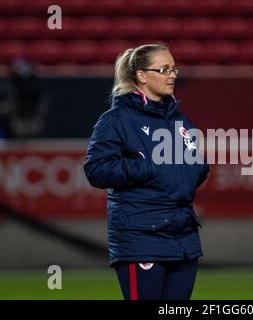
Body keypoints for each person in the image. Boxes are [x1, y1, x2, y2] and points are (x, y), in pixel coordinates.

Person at [84, 43, 210, 300]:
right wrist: (149, 167)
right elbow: (96, 169)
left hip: (183, 239)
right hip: (141, 238)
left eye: (174, 69)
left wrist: (196, 168)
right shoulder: (116, 120)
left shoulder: (179, 120)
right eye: (164, 69)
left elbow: (193, 164)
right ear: (141, 75)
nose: (173, 74)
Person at [0, 59, 48, 139]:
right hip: (13, 124)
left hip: (33, 123)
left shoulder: (36, 86)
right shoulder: (6, 86)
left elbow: (43, 104)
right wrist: (8, 109)